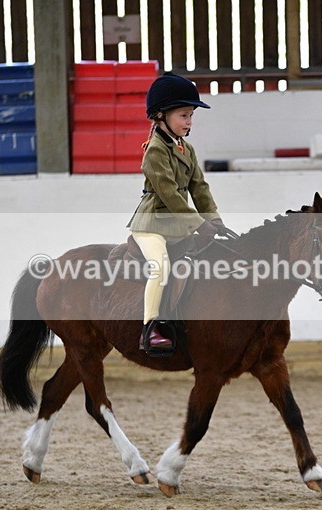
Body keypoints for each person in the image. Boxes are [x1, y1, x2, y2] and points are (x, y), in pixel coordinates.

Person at [127, 73, 225, 353]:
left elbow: (199, 187)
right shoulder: (155, 152)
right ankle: (150, 328)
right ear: (160, 115)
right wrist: (198, 224)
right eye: (183, 115)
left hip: (179, 224)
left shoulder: (186, 149)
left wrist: (214, 219)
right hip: (152, 225)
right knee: (160, 267)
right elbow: (170, 194)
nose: (189, 122)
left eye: (191, 116)